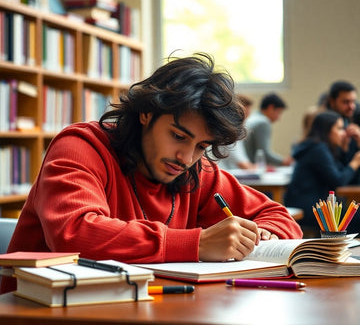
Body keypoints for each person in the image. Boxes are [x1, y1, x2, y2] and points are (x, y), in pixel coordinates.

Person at [1, 53, 302, 294]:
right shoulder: (80, 147)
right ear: (146, 113)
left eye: (202, 145)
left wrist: (258, 236)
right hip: (38, 312)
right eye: (178, 136)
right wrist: (196, 243)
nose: (186, 158)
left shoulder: (196, 170)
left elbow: (279, 217)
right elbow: (75, 233)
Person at [284, 111, 360, 234]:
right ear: (327, 130)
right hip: (312, 208)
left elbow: (344, 176)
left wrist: (345, 151)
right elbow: (338, 181)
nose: (343, 133)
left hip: (317, 205)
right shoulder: (318, 149)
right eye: (340, 128)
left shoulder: (320, 147)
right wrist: (355, 163)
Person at [243, 93, 293, 166]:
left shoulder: (252, 117)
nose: (279, 118)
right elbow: (264, 154)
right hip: (250, 169)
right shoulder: (263, 122)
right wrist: (285, 161)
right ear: (271, 107)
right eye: (279, 112)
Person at [217, 94, 256, 170]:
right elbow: (241, 163)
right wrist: (257, 169)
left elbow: (243, 160)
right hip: (228, 172)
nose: (245, 121)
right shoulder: (229, 130)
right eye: (244, 116)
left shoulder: (237, 130)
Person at [326, 80, 360, 164]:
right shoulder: (324, 124)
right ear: (332, 101)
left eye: (353, 102)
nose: (351, 106)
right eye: (346, 102)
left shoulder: (354, 118)